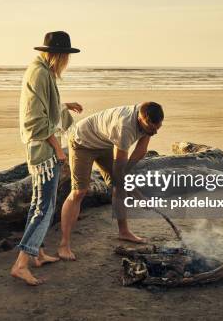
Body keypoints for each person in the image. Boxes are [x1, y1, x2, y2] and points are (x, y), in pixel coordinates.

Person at [10, 31, 84, 285]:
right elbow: (37, 120)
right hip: (43, 151)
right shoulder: (40, 73)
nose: (66, 62)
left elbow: (47, 110)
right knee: (44, 207)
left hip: (44, 148)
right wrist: (59, 148)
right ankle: (21, 263)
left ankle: (38, 254)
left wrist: (64, 106)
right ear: (58, 55)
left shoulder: (41, 71)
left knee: (40, 203)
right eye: (65, 56)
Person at [58, 102, 164, 261]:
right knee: (79, 191)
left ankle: (124, 232)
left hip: (105, 142)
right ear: (141, 119)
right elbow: (119, 170)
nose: (155, 131)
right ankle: (64, 245)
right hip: (82, 142)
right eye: (152, 128)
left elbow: (140, 151)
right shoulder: (124, 128)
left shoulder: (149, 117)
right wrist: (138, 195)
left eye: (158, 127)